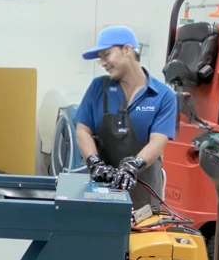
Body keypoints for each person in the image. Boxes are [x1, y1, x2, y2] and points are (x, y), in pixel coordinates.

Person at [75, 25, 177, 210]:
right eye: (100, 58)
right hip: (102, 192)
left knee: (143, 238)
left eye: (106, 54)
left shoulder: (163, 95)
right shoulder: (98, 88)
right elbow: (83, 130)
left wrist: (133, 166)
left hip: (144, 197)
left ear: (127, 49)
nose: (102, 63)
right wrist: (93, 162)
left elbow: (158, 140)